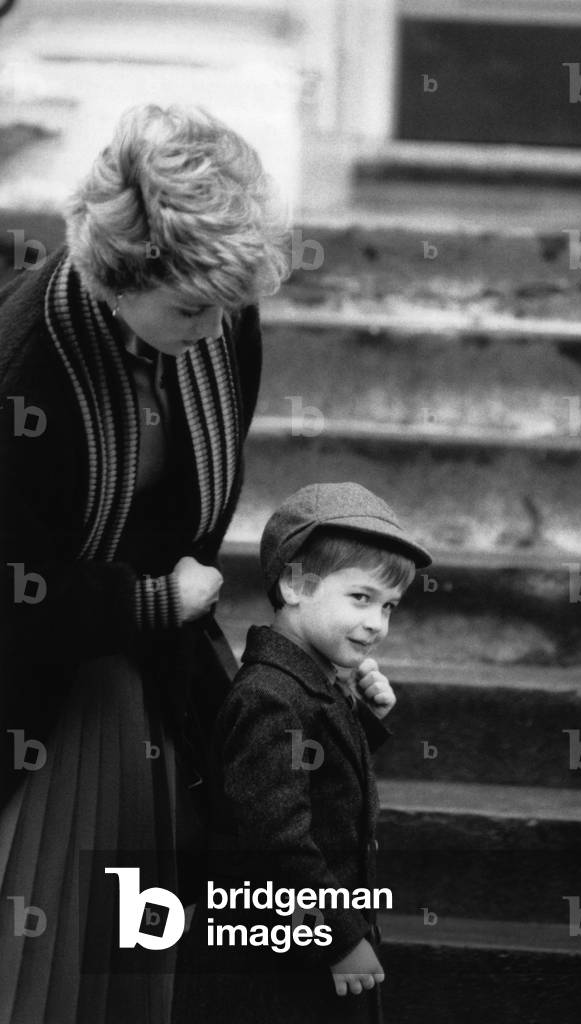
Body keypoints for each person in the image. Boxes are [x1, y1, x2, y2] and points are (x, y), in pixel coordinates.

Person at [0, 103, 288, 1024]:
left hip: (148, 668)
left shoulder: (219, 318)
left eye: (229, 307)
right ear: (118, 276)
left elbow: (195, 500)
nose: (215, 330)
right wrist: (152, 602)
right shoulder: (25, 367)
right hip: (41, 685)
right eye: (193, 308)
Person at [173, 481, 432, 1024]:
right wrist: (338, 939)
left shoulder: (308, 684)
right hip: (275, 967)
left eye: (389, 607)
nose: (376, 623)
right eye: (361, 597)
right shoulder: (270, 696)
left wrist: (362, 719)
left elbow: (318, 779)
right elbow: (274, 839)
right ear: (294, 583)